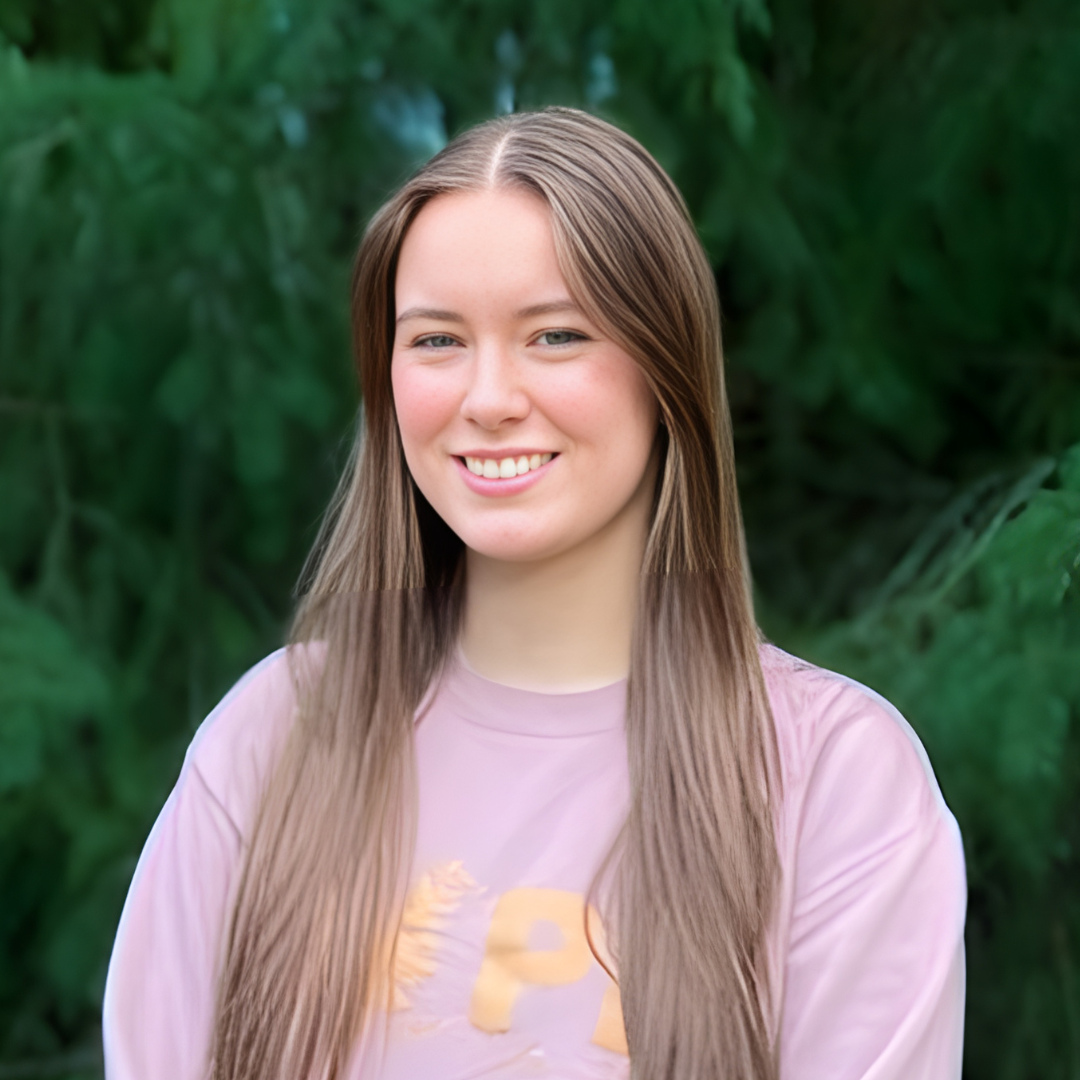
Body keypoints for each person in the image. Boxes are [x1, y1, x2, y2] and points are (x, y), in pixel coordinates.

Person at [103, 107, 966, 1080]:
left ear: (667, 369)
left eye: (555, 335)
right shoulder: (274, 739)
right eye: (437, 341)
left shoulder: (836, 781)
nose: (488, 399)